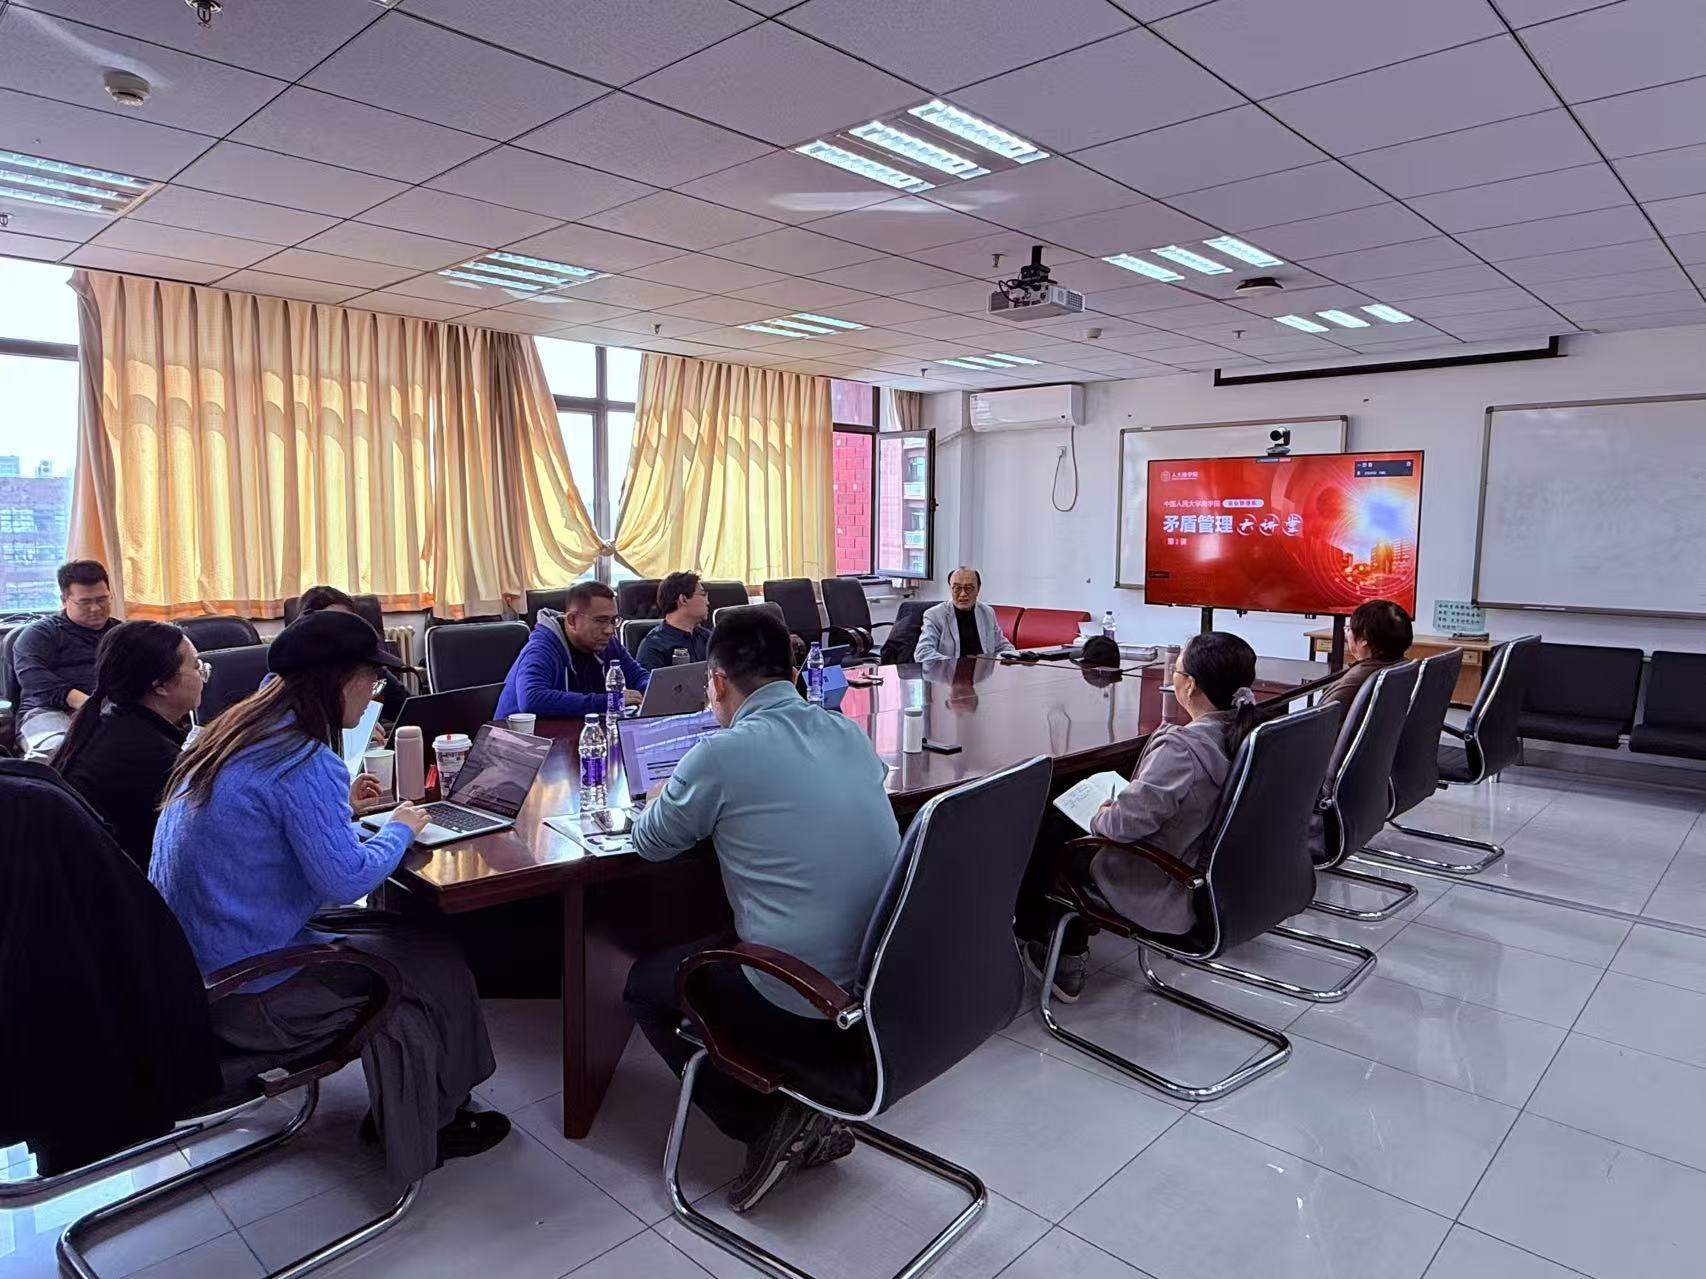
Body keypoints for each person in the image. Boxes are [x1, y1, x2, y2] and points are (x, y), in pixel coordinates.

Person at [149, 610, 506, 1185]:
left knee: (421, 947)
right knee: (423, 977)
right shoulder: (302, 757)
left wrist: (342, 817)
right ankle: (431, 1126)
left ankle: (441, 1100)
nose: (375, 695)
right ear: (341, 680)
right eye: (373, 680)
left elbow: (273, 840)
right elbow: (344, 882)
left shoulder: (231, 732)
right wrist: (400, 828)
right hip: (247, 991)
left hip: (198, 968)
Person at [624, 608, 901, 1214]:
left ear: (717, 682)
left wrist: (661, 796)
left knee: (645, 983)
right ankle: (790, 1098)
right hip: (884, 981)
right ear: (794, 672)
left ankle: (764, 1122)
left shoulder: (721, 754)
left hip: (805, 998)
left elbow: (650, 842)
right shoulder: (847, 732)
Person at [1014, 632, 1260, 1002]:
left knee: (1051, 828)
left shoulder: (1183, 750)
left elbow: (1118, 827)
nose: (1172, 677)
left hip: (1163, 882)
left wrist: (1103, 812)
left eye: (1176, 670)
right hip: (1215, 876)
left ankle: (1062, 952)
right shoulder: (1248, 734)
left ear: (1190, 686)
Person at [52, 621, 205, 872]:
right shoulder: (149, 756)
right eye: (196, 666)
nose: (203, 674)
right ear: (161, 685)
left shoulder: (112, 721)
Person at [12, 560, 120, 758]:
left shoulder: (123, 633)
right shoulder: (40, 634)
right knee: (56, 753)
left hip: (111, 710)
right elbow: (35, 680)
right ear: (64, 600)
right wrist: (90, 705)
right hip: (47, 711)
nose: (96, 608)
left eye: (102, 599)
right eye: (85, 602)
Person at [495, 581, 648, 720]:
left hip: (571, 734)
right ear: (572, 620)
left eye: (613, 620)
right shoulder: (541, 649)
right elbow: (532, 699)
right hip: (516, 737)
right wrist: (610, 701)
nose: (609, 630)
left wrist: (653, 689)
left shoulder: (607, 643)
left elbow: (638, 677)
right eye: (600, 620)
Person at [296, 585, 409, 727]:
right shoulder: (293, 681)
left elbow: (409, 709)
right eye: (331, 625)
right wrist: (355, 733)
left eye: (347, 623)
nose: (342, 633)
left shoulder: (368, 667)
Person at [1321, 600, 1413, 719]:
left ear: (1364, 638)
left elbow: (1319, 723)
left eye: (1349, 629)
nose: (1347, 634)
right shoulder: (1408, 667)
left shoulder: (1354, 682)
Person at [913, 566, 1017, 661]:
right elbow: (923, 653)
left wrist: (1017, 656)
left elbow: (1002, 646)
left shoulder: (987, 612)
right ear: (950, 589)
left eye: (969, 588)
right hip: (949, 674)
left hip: (982, 673)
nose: (963, 594)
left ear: (978, 589)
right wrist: (955, 666)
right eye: (957, 588)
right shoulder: (935, 615)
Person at [635, 571, 713, 671]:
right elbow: (651, 681)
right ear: (683, 599)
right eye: (703, 594)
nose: (708, 602)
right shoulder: (654, 647)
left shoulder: (707, 638)